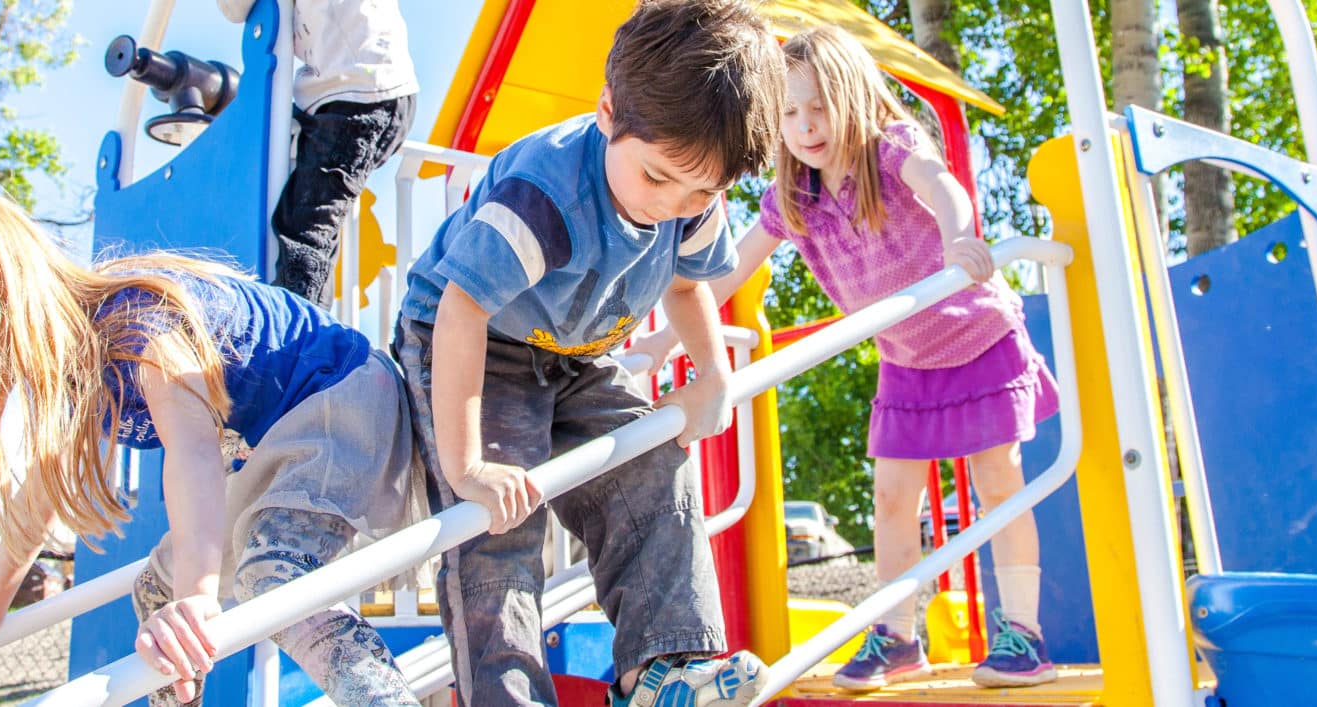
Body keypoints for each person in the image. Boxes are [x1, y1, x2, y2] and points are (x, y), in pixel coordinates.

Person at [0, 183, 424, 706]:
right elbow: (34, 502)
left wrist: (197, 595)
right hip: (277, 442)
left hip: (339, 395)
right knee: (155, 592)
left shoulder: (135, 322)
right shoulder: (74, 378)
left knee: (275, 573)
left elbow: (193, 451)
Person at [628, 25, 1062, 690]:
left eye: (820, 107)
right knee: (891, 498)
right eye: (791, 113)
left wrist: (957, 237)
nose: (806, 126)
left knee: (997, 478)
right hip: (908, 359)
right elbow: (731, 268)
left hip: (978, 338)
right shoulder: (793, 197)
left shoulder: (891, 150)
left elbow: (942, 186)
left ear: (854, 97)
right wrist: (666, 336)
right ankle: (895, 635)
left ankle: (1021, 633)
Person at [389, 1, 787, 704]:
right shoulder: (544, 195)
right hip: (476, 344)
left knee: (652, 468)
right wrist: (467, 463)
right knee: (497, 526)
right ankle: (504, 695)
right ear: (608, 112)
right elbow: (462, 310)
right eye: (658, 178)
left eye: (701, 190)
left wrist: (713, 377)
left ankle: (663, 671)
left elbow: (690, 286)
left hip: (577, 351)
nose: (673, 203)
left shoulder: (692, 196)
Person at [218, 0, 418, 304]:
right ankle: (304, 325)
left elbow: (234, 8)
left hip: (356, 96)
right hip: (359, 91)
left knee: (306, 230)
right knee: (307, 219)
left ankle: (294, 336)